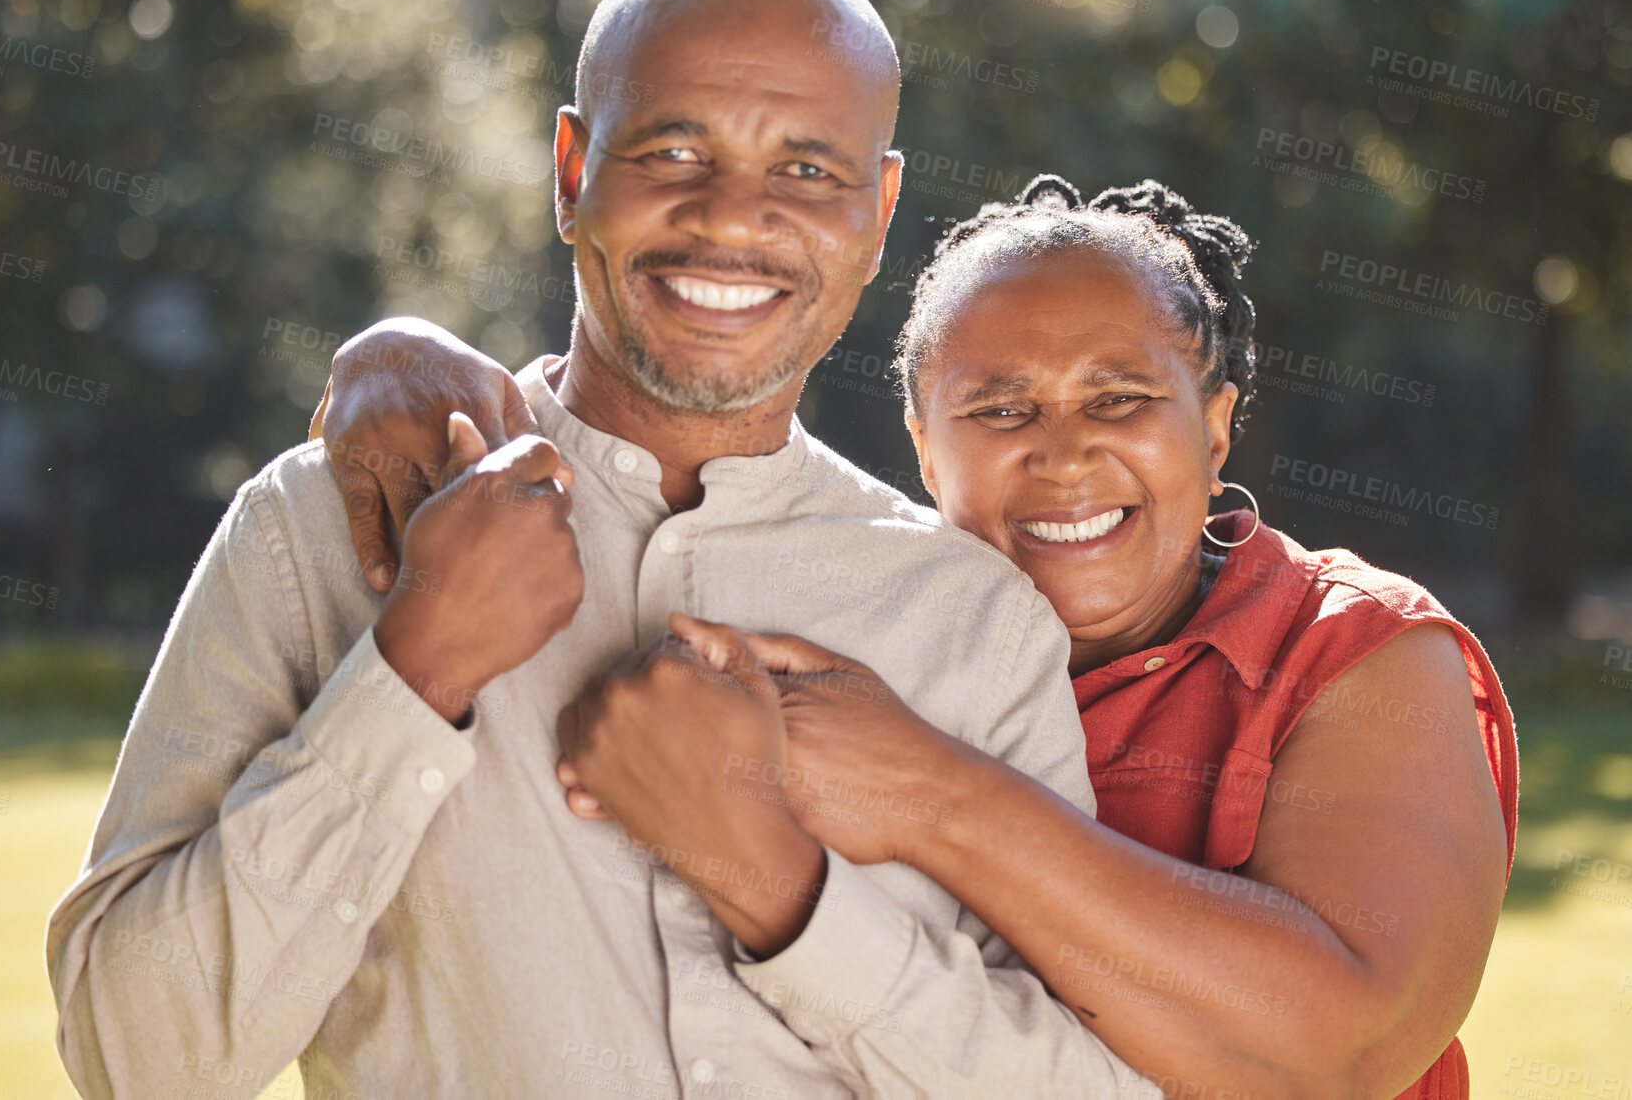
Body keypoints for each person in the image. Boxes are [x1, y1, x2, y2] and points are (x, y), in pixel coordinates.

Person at [45, 0, 1156, 1099]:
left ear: (877, 213)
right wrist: (412, 670)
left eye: (808, 170)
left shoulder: (976, 620)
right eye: (674, 147)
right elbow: (132, 1063)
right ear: (572, 167)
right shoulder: (325, 527)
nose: (734, 217)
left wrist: (778, 886)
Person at [320, 178, 1517, 1098]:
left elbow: (1340, 1045)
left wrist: (938, 795)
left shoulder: (1358, 651)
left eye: (1121, 398)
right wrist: (398, 355)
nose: (1062, 452)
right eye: (999, 408)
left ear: (1216, 426)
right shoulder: (856, 621)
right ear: (924, 446)